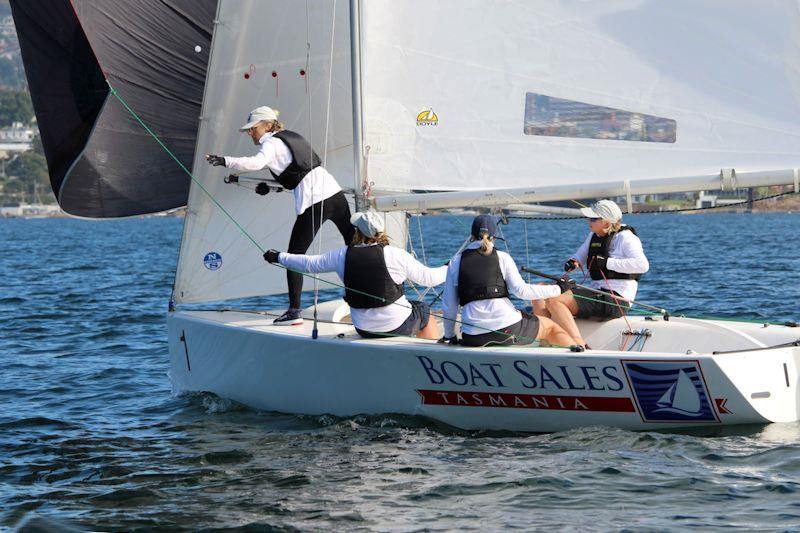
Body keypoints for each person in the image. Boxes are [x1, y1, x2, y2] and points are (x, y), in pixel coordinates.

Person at [206, 106, 354, 325]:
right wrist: (270, 187)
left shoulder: (271, 143)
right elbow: (298, 174)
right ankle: (358, 295)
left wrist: (224, 160)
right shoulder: (288, 138)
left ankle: (294, 311)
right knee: (356, 245)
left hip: (315, 200)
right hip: (335, 193)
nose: (250, 133)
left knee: (294, 256)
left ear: (266, 125)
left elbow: (256, 164)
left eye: (252, 128)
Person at [263, 210, 447, 339]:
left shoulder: (342, 254)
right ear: (382, 231)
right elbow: (429, 279)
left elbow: (310, 264)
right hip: (396, 326)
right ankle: (429, 355)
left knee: (414, 307)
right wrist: (449, 267)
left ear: (357, 232)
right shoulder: (395, 254)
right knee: (424, 310)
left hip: (364, 328)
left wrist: (278, 257)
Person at [441, 215, 579, 348]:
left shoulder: (455, 262)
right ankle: (580, 355)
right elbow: (522, 291)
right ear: (494, 237)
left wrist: (449, 335)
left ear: (472, 236)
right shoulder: (503, 257)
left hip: (472, 337)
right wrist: (559, 289)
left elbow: (449, 305)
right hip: (507, 329)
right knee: (550, 327)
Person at [533, 199, 649, 347]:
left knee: (555, 300)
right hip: (597, 293)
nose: (589, 221)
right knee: (540, 291)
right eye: (589, 217)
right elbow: (580, 255)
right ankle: (546, 341)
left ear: (606, 222)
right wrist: (573, 262)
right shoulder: (593, 235)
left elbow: (642, 265)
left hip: (616, 299)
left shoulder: (626, 238)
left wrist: (607, 263)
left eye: (594, 218)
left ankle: (579, 344)